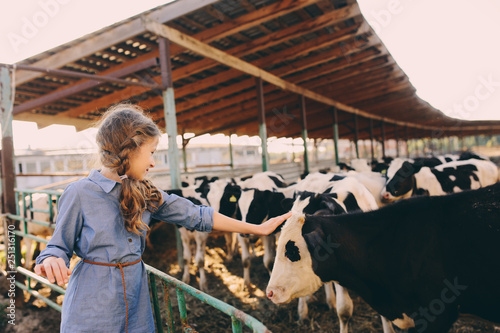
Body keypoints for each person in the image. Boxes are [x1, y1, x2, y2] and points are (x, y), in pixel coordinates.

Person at [34, 103, 291, 333]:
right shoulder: (79, 193)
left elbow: (196, 215)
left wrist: (255, 228)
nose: (154, 163)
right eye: (152, 152)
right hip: (92, 307)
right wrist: (52, 258)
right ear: (130, 149)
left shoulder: (145, 192)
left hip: (137, 305)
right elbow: (57, 245)